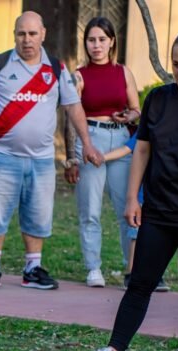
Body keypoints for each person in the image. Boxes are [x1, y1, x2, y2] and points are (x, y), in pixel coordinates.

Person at [76, 30, 178, 351]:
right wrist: (133, 198)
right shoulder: (158, 99)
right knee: (140, 283)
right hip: (157, 211)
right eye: (177, 64)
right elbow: (141, 149)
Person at [0, 11, 102, 291]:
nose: (27, 40)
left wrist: (88, 143)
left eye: (32, 34)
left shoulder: (56, 69)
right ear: (15, 36)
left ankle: (32, 268)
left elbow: (73, 107)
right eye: (21, 34)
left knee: (38, 214)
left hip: (41, 160)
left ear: (43, 34)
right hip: (1, 155)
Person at [63, 17, 141, 288]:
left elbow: (136, 109)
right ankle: (93, 268)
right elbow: (71, 117)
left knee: (126, 208)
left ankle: (131, 268)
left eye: (101, 40)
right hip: (90, 139)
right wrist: (72, 156)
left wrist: (127, 115)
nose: (96, 45)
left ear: (112, 42)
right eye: (91, 40)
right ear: (85, 43)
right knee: (90, 209)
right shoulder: (79, 75)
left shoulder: (123, 72)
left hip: (120, 140)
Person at [97, 130, 168, 292]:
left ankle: (154, 274)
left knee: (160, 237)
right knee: (136, 234)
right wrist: (103, 157)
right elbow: (127, 149)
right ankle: (131, 273)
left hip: (166, 195)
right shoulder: (151, 126)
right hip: (146, 193)